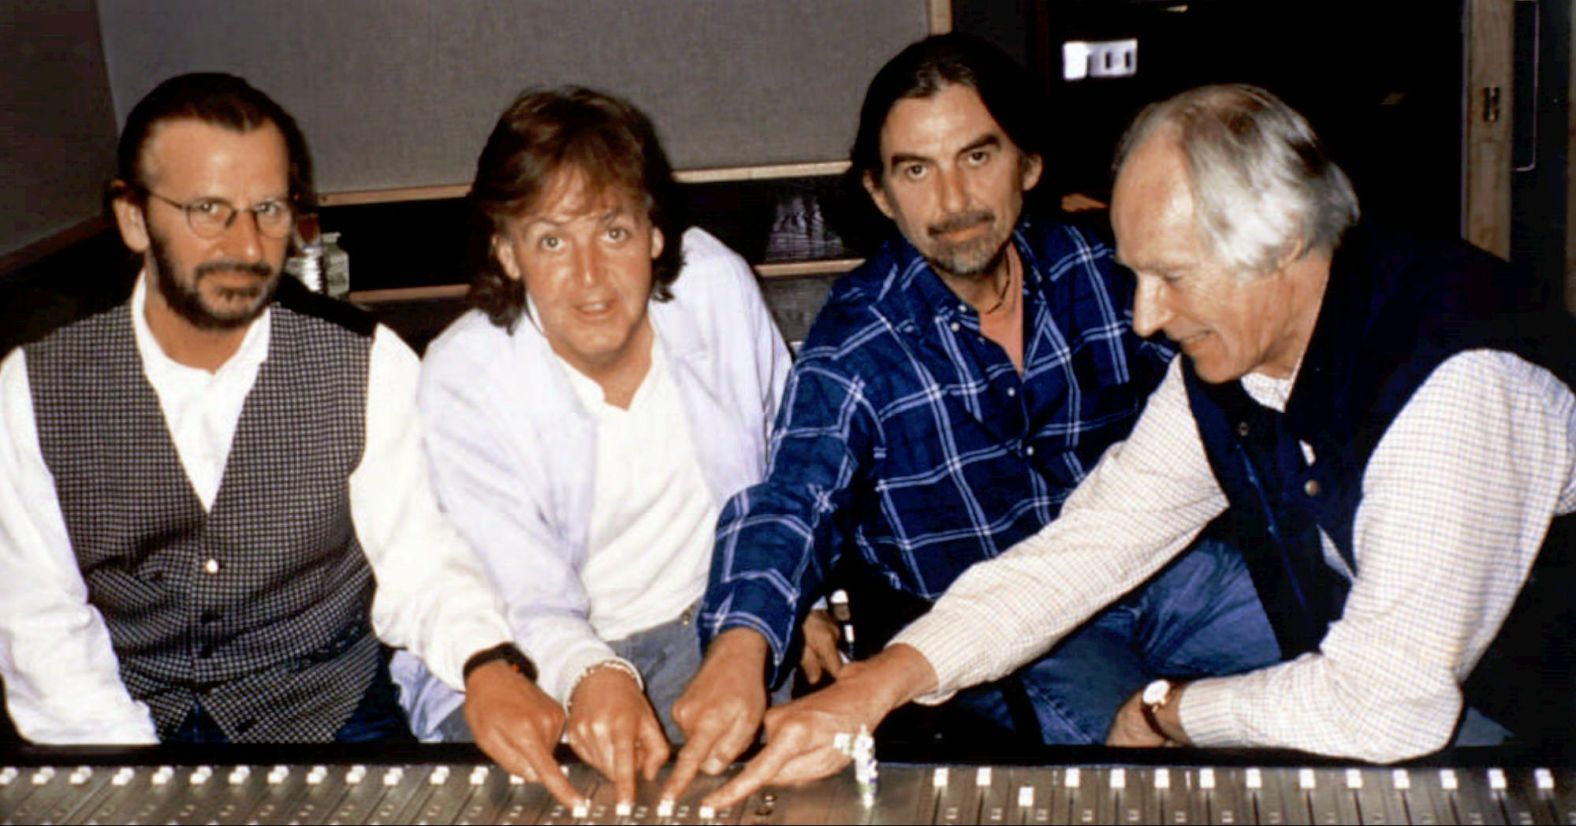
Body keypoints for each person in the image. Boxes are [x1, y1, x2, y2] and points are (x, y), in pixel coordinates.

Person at [701, 82, 1576, 808]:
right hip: (1446, 682)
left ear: (1282, 244)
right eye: (1135, 274)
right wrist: (875, 685)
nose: (1144, 316)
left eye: (1171, 278)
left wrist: (1169, 709)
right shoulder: (1232, 358)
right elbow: (1089, 546)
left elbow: (1386, 708)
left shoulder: (1454, 385)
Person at [666, 36, 1280, 802]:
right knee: (1146, 792)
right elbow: (792, 503)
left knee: (1351, 659)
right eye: (916, 171)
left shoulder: (1103, 268)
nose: (953, 202)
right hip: (997, 639)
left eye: (977, 157)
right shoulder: (857, 345)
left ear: (1029, 164)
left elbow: (1227, 400)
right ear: (881, 194)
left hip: (1162, 571)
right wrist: (738, 644)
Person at [0, 72, 590, 809]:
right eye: (208, 210)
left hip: (333, 719)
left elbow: (421, 561)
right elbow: (44, 634)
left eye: (269, 209)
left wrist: (488, 664)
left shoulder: (366, 361)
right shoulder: (31, 390)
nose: (247, 245)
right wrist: (145, 790)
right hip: (121, 726)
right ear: (131, 217)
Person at [389, 87, 790, 809]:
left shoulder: (716, 288)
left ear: (654, 233)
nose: (590, 277)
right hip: (532, 652)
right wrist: (590, 674)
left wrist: (797, 602)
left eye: (612, 232)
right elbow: (523, 591)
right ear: (507, 254)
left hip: (710, 625)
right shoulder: (464, 376)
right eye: (550, 240)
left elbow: (789, 465)